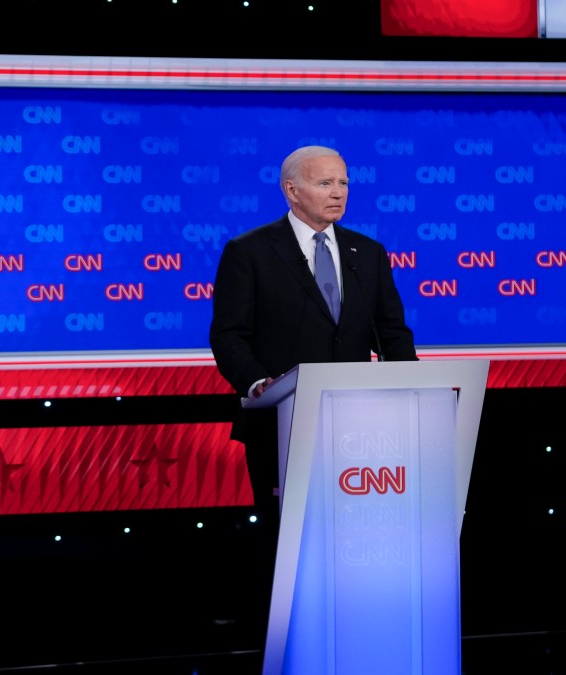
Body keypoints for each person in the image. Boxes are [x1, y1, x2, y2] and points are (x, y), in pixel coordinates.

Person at [208, 145, 418, 630]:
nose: (338, 193)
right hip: (282, 424)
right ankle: (293, 631)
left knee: (355, 537)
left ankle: (360, 625)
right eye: (326, 183)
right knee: (291, 542)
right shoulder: (250, 252)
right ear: (292, 190)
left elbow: (392, 331)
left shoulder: (368, 252)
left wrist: (409, 384)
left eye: (343, 183)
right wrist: (259, 384)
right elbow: (229, 335)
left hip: (362, 430)